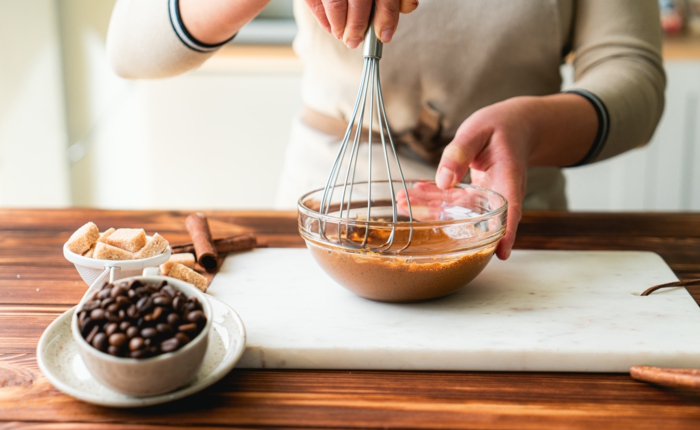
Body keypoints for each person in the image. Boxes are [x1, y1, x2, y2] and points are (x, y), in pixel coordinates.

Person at [107, 0, 665, 260]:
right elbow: (132, 48)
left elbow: (633, 75)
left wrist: (534, 127)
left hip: (512, 216)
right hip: (331, 205)